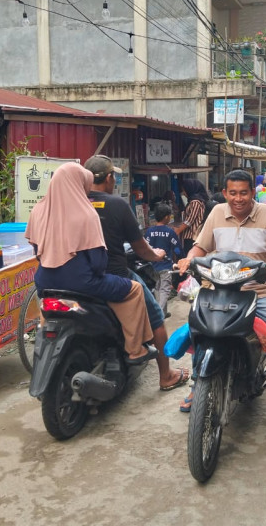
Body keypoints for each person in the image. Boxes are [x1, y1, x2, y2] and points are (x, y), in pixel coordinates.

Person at [178, 170, 266, 418]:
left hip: (259, 291)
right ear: (225, 193)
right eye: (232, 193)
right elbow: (201, 246)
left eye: (244, 192)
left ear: (252, 193)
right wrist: (188, 259)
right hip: (218, 289)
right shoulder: (216, 213)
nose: (238, 198)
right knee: (199, 334)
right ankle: (197, 384)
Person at [26, 163, 156, 365]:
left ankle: (42, 352)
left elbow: (37, 251)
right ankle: (135, 349)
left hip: (45, 283)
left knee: (46, 311)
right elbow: (98, 263)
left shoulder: (38, 211)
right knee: (134, 290)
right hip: (82, 284)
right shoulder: (85, 213)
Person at [85, 155, 189, 391]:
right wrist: (157, 255)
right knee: (157, 318)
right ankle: (166, 375)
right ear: (110, 177)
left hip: (80, 276)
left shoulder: (74, 202)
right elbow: (142, 249)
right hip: (116, 274)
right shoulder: (117, 205)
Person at [145, 203, 182, 317]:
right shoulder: (170, 232)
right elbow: (177, 249)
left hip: (153, 266)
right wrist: (181, 259)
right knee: (165, 290)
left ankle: (164, 312)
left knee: (157, 287)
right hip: (166, 265)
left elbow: (146, 246)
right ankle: (159, 314)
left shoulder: (149, 231)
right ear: (166, 217)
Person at [175, 179, 209, 257]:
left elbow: (189, 220)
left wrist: (178, 230)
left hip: (192, 236)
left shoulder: (195, 202)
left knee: (190, 257)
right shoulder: (194, 201)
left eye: (184, 191)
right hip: (190, 236)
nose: (183, 193)